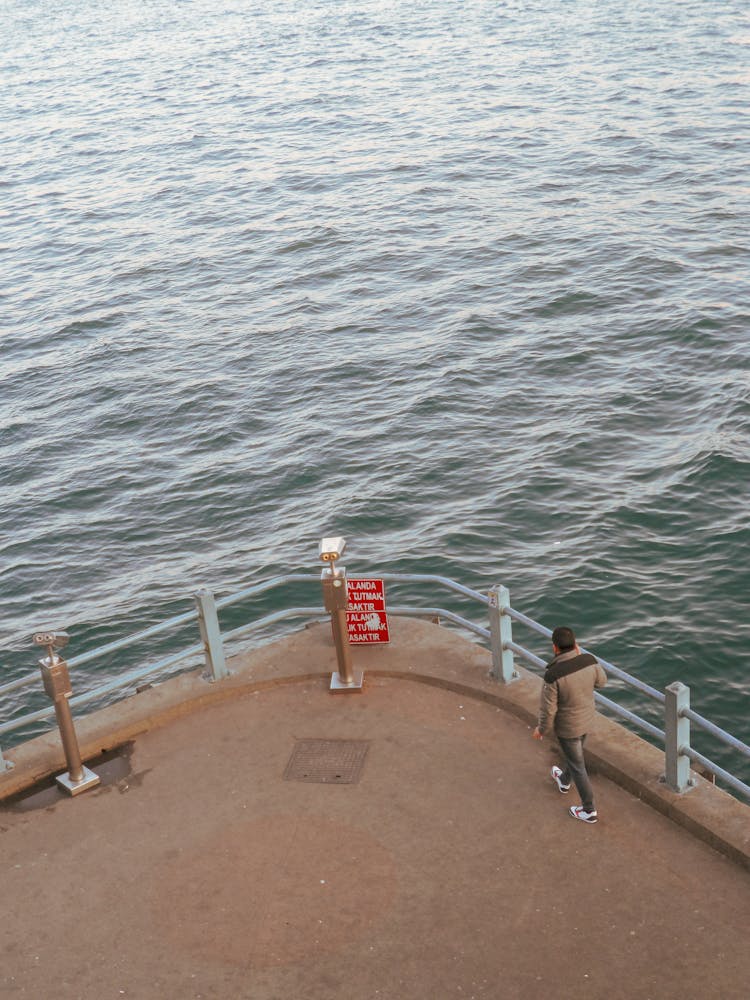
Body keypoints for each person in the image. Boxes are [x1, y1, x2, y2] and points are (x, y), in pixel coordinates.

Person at [532, 626, 607, 823]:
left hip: (568, 728)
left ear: (555, 648)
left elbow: (548, 710)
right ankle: (564, 781)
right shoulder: (589, 661)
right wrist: (580, 656)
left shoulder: (552, 675)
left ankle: (589, 810)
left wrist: (541, 729)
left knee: (578, 765)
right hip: (587, 720)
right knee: (575, 759)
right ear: (575, 644)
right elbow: (602, 682)